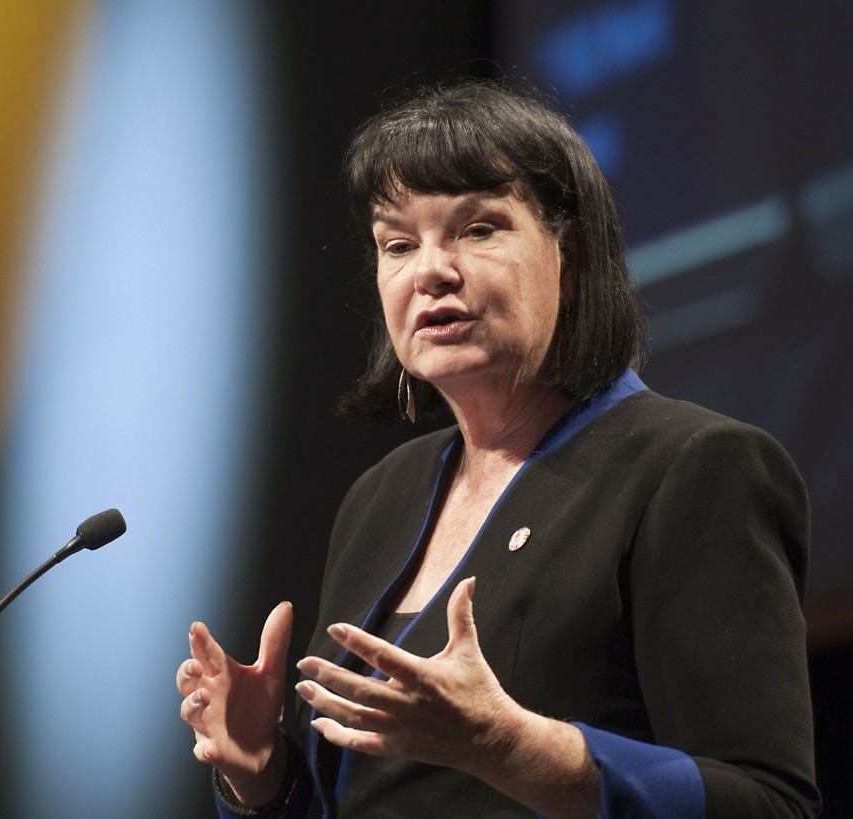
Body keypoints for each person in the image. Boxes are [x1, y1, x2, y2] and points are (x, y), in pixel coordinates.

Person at [175, 79, 820, 818]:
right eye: (398, 244)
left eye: (478, 229)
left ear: (571, 256)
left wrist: (509, 746)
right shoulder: (381, 495)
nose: (431, 271)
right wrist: (262, 774)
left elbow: (770, 803)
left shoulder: (697, 466)